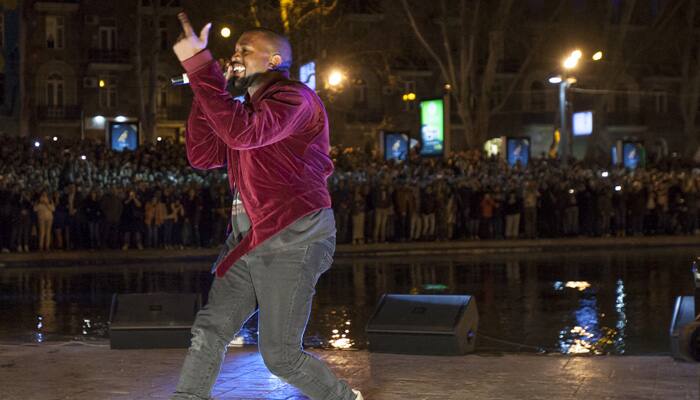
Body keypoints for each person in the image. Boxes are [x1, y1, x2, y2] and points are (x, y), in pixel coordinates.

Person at [171, 13, 362, 400]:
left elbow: (243, 134)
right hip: (248, 239)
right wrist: (206, 88)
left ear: (274, 61)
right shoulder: (242, 109)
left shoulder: (296, 99)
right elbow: (203, 154)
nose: (235, 55)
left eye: (245, 50)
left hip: (295, 234)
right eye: (234, 49)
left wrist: (203, 72)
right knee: (209, 331)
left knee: (280, 355)